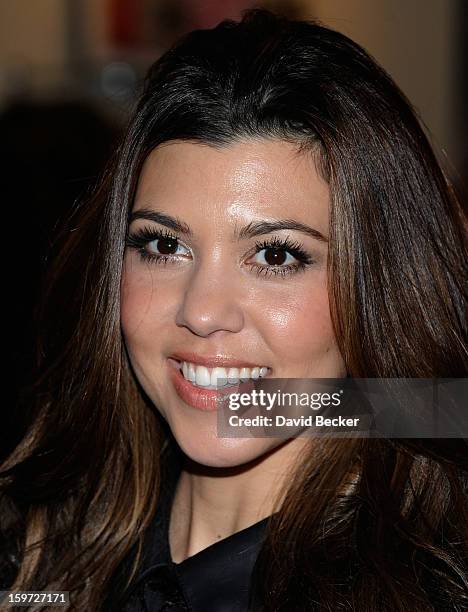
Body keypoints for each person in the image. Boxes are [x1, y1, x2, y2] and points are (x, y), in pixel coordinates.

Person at [1, 8, 467, 612]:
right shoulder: (35, 550)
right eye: (164, 245)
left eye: (275, 256)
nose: (201, 311)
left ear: (381, 287)